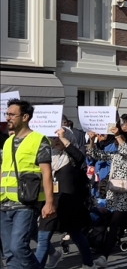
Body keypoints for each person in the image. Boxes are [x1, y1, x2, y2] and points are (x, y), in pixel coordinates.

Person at [1, 99, 55, 269]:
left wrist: (49, 202)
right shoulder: (8, 141)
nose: (7, 118)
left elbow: (47, 172)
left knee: (18, 247)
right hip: (4, 202)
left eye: (12, 114)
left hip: (26, 201)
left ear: (25, 117)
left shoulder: (39, 140)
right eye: (7, 114)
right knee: (9, 251)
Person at [36, 127, 94, 269]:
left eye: (59, 137)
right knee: (43, 239)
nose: (56, 140)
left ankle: (88, 264)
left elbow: (80, 157)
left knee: (77, 236)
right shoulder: (48, 156)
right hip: (50, 202)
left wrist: (63, 137)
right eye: (54, 137)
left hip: (69, 204)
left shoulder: (72, 158)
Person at [87, 126, 127, 267]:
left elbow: (125, 150)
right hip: (115, 192)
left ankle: (104, 257)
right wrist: (93, 140)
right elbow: (95, 154)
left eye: (120, 141)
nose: (118, 144)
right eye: (117, 142)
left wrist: (118, 134)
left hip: (125, 192)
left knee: (114, 224)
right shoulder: (115, 154)